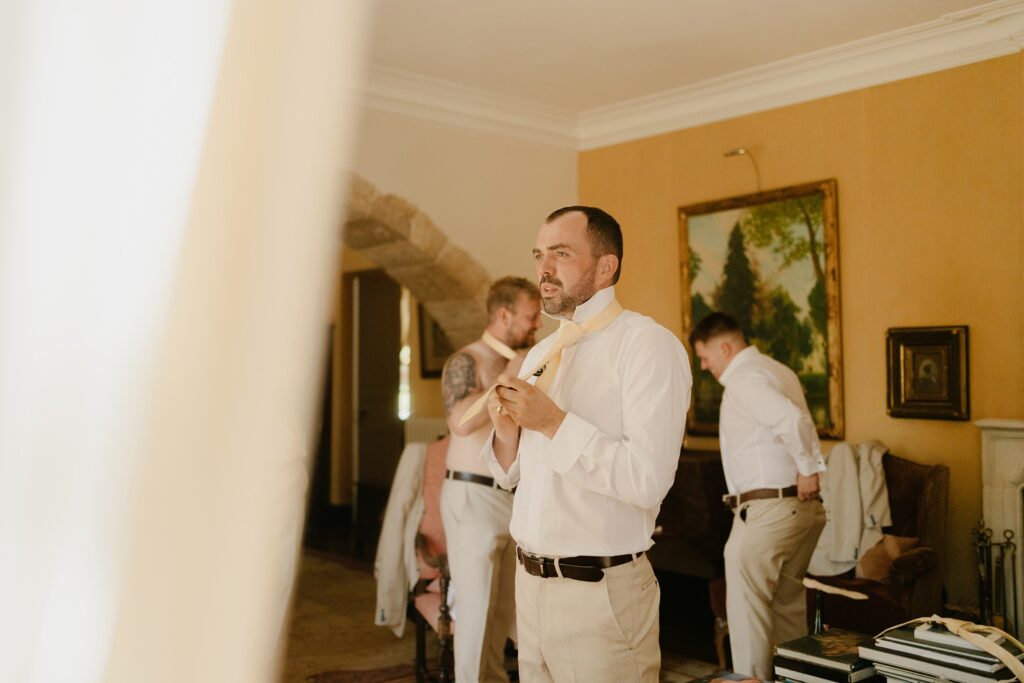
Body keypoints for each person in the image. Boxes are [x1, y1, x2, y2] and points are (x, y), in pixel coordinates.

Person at [478, 206, 691, 682]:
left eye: (560, 253)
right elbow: (518, 477)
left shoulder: (647, 346)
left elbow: (647, 480)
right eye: (539, 255)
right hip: (529, 588)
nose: (543, 269)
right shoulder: (540, 354)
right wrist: (508, 434)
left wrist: (554, 422)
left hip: (600, 593)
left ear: (605, 265)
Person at [689, 312, 827, 681]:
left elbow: (791, 420)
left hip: (768, 512)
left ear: (725, 348)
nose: (705, 366)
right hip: (799, 511)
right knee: (787, 609)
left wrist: (808, 469)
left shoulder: (743, 379)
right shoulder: (778, 370)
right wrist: (808, 471)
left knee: (747, 613)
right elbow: (798, 420)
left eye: (705, 357)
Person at [441, 275, 542, 683]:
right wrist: (507, 378)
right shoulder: (467, 360)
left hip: (511, 497)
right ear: (504, 315)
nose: (537, 324)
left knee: (502, 613)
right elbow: (460, 422)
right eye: (531, 316)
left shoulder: (527, 363)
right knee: (476, 611)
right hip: (472, 495)